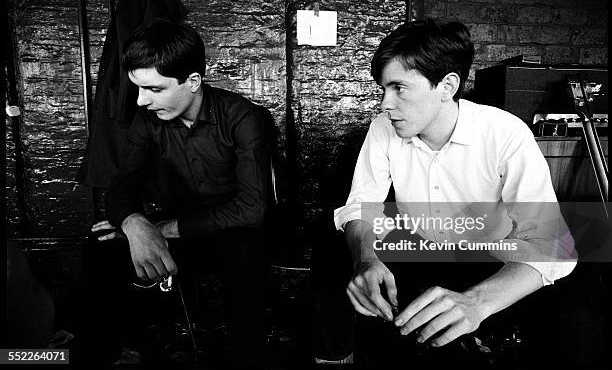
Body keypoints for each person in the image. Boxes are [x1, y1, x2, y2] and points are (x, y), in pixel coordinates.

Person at [313, 18, 578, 364]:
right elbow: (363, 204)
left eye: (398, 88)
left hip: (488, 257)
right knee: (331, 243)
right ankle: (337, 357)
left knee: (574, 307)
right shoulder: (383, 129)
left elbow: (553, 245)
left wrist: (477, 302)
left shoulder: (505, 134)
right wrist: (367, 259)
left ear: (447, 85)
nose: (384, 104)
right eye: (383, 89)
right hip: (420, 248)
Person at [78, 18, 270, 365]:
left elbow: (252, 209)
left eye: (154, 89)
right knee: (100, 249)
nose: (140, 101)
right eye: (138, 88)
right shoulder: (148, 121)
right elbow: (121, 190)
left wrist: (159, 229)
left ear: (193, 81)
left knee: (245, 255)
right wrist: (135, 225)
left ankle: (249, 357)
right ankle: (98, 354)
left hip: (235, 230)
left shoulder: (243, 117)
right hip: (181, 227)